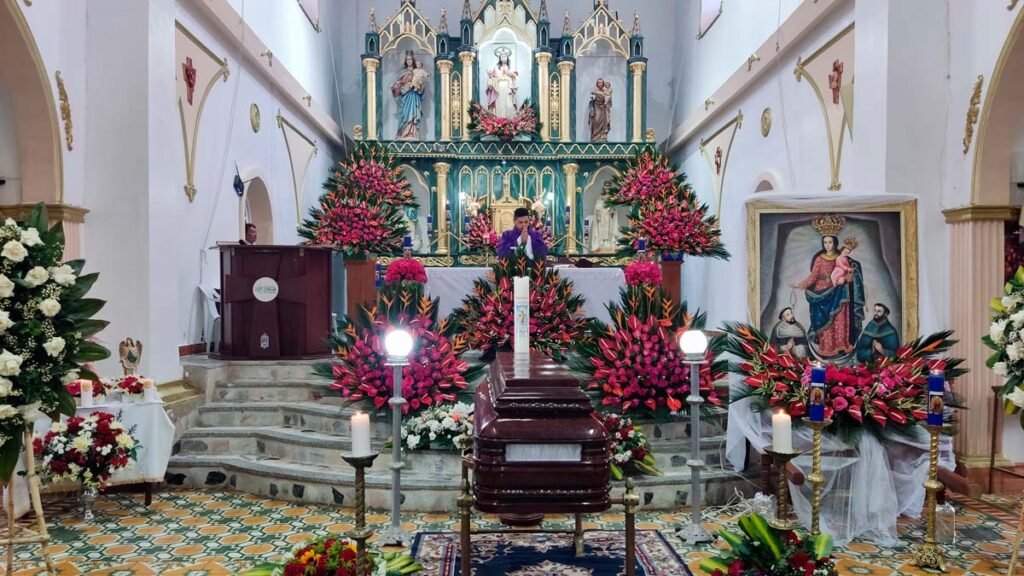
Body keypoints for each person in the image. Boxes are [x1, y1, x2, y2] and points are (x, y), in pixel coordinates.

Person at [793, 232, 865, 358]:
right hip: (821, 292)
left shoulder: (843, 257)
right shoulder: (819, 258)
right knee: (824, 320)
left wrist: (845, 278)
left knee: (840, 319)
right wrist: (801, 285)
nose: (827, 245)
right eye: (825, 242)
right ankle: (827, 349)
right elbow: (813, 276)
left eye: (830, 242)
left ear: (835, 243)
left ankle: (842, 347)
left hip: (839, 292)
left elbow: (851, 273)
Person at [391, 50, 426, 140]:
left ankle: (413, 133)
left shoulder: (417, 71)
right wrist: (402, 85)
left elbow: (422, 88)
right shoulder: (403, 72)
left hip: (414, 96)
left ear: (413, 60)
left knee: (413, 114)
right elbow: (396, 85)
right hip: (405, 97)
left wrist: (418, 86)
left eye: (410, 59)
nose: (409, 61)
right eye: (407, 59)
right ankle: (403, 133)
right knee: (404, 115)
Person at [486, 47, 519, 119]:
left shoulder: (510, 68)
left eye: (505, 56)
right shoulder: (496, 68)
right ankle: (499, 120)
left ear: (507, 58)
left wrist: (511, 75)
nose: (504, 58)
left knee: (509, 104)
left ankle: (509, 120)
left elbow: (515, 77)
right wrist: (491, 82)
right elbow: (493, 77)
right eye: (502, 57)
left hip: (508, 86)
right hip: (499, 87)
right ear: (500, 58)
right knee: (499, 103)